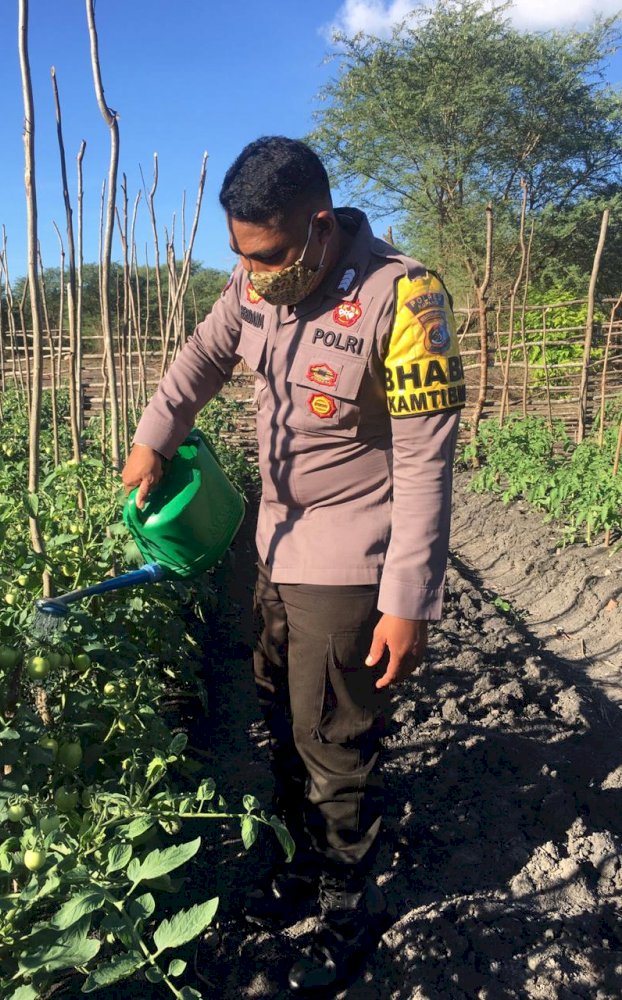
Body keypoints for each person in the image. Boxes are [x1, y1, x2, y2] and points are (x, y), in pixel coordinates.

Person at [121, 136, 465, 995]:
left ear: (318, 226)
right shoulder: (254, 282)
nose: (252, 273)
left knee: (334, 735)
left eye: (267, 255)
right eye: (239, 255)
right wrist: (153, 436)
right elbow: (201, 358)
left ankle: (348, 902)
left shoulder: (404, 296)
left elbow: (427, 460)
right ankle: (299, 862)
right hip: (272, 543)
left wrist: (408, 599)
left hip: (352, 553)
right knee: (278, 707)